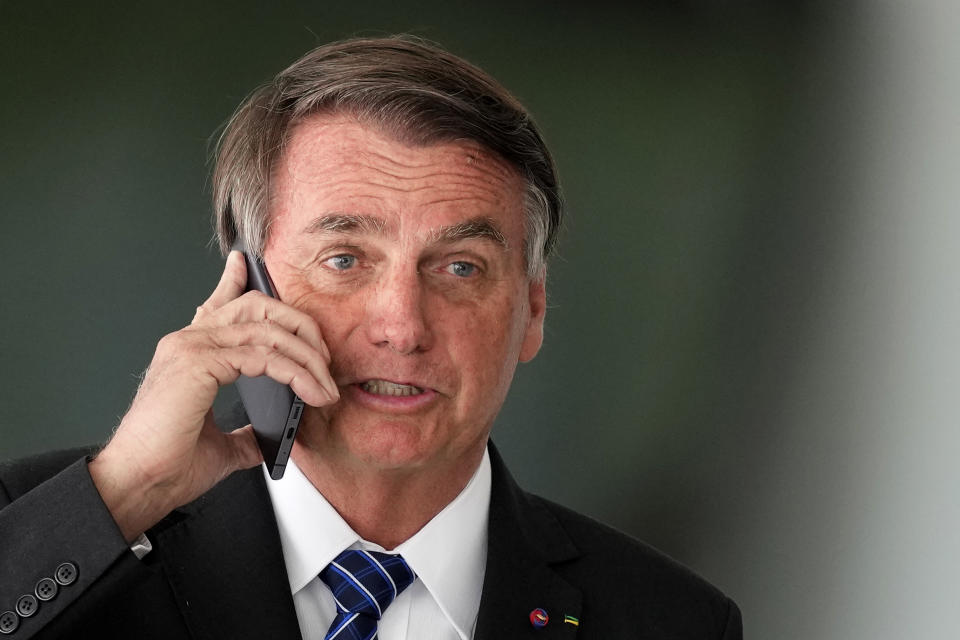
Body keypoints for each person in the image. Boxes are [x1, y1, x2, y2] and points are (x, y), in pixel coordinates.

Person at [0, 36, 741, 639]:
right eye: (345, 260)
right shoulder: (50, 535)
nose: (402, 327)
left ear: (534, 312)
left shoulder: (671, 622)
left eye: (460, 267)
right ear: (247, 289)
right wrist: (128, 491)